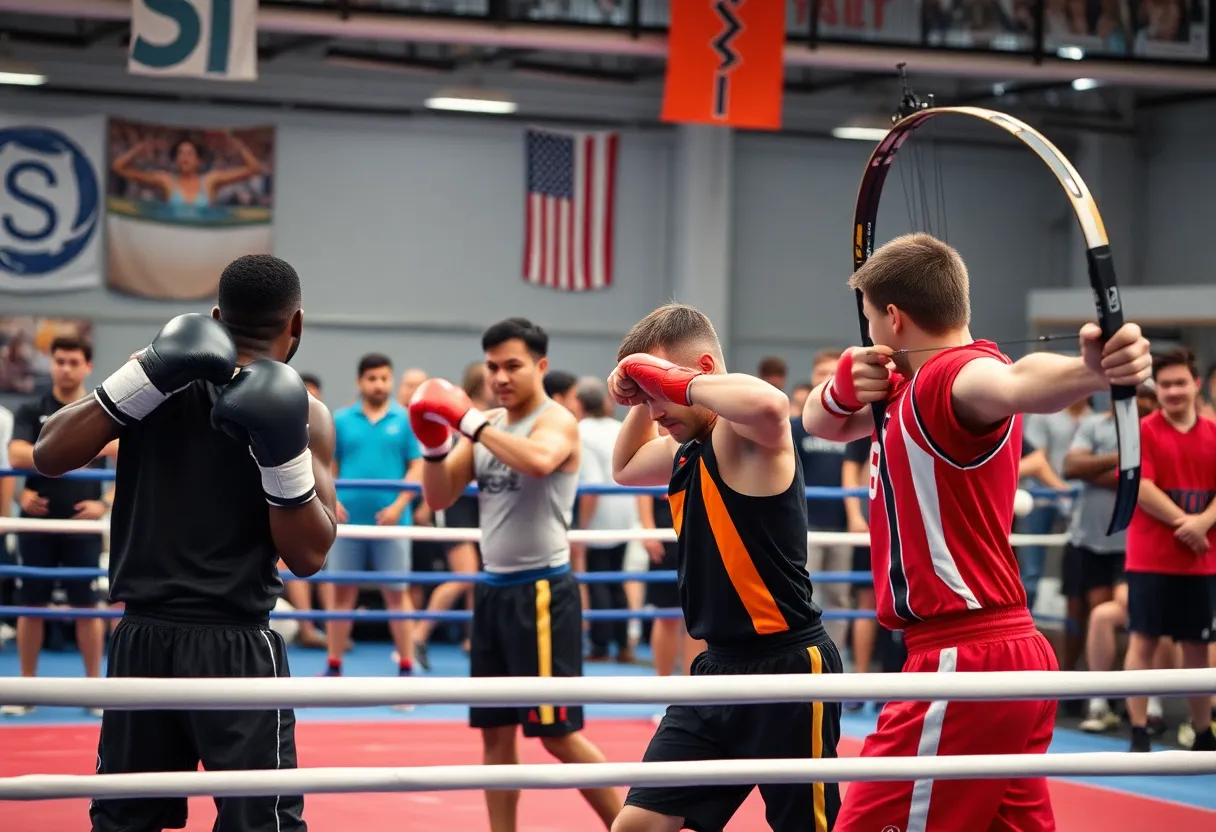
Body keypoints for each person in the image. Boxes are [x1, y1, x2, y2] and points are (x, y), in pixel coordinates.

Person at [803, 233, 1150, 831]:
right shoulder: (906, 386)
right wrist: (839, 389)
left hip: (963, 657)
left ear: (894, 318)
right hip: (999, 649)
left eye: (869, 319)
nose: (868, 334)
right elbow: (822, 423)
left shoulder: (950, 377)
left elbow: (1012, 384)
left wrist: (1087, 372)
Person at [31, 254, 336, 832]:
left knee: (126, 821)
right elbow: (310, 557)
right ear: (296, 324)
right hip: (235, 650)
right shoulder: (168, 386)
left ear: (217, 315)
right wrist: (149, 374)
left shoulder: (156, 385)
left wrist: (277, 454)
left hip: (143, 644)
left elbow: (47, 454)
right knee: (257, 824)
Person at [609, 303, 843, 832]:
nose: (655, 412)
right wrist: (637, 391)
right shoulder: (685, 451)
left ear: (703, 372)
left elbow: (770, 403)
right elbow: (624, 468)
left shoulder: (744, 438)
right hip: (715, 671)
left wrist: (667, 380)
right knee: (637, 826)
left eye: (659, 393)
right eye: (647, 398)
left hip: (787, 668)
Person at [411, 317, 621, 832]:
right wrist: (434, 447)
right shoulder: (484, 425)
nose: (500, 377)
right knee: (496, 735)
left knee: (557, 736)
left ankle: (631, 828)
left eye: (512, 366)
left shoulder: (556, 421)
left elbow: (540, 462)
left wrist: (471, 425)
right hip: (494, 592)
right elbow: (438, 497)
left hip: (542, 593)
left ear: (540, 366)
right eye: (492, 367)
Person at [4, 336, 115, 716]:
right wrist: (80, 450)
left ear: (87, 366)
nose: (65, 368)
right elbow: (15, 455)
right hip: (36, 523)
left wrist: (105, 502)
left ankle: (94, 692)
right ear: (51, 364)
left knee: (87, 606)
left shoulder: (100, 411)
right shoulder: (32, 409)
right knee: (31, 605)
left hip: (83, 524)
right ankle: (26, 690)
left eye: (73, 362)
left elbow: (127, 454)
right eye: (59, 361)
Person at [1123, 348, 1216, 753]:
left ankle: (1203, 730)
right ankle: (1138, 730)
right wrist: (1188, 523)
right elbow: (1141, 488)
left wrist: (1202, 523)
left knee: (1198, 647)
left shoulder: (1213, 433)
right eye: (1165, 385)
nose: (1173, 391)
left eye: (1180, 383)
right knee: (1143, 641)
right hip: (1150, 559)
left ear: (1195, 385)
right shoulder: (1142, 432)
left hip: (1201, 561)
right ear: (1156, 389)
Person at [325, 353, 423, 680]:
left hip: (392, 524)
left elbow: (418, 466)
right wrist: (331, 499)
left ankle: (406, 669)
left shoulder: (406, 419)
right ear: (360, 381)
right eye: (372, 378)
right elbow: (327, 465)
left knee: (397, 595)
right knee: (341, 595)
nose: (379, 385)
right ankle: (334, 668)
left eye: (384, 378)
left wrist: (399, 506)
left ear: (391, 380)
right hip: (347, 523)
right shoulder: (340, 419)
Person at [415, 361, 492, 662]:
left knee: (479, 576)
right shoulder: (459, 413)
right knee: (466, 576)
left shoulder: (497, 415)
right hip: (456, 505)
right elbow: (439, 462)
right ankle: (418, 635)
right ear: (480, 383)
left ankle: (475, 639)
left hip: (480, 504)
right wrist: (427, 506)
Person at [575, 378, 642, 663]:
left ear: (580, 403)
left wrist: (582, 526)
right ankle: (623, 644)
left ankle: (600, 647)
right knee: (615, 581)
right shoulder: (617, 427)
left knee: (599, 581)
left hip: (599, 517)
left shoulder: (581, 432)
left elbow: (591, 484)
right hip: (624, 514)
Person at [791, 348, 852, 646]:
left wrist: (857, 517)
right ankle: (807, 657)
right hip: (806, 526)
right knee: (805, 595)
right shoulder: (797, 426)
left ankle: (836, 657)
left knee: (839, 597)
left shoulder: (856, 424)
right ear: (813, 377)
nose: (827, 378)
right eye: (821, 373)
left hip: (843, 525)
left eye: (833, 373)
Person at [1018, 401, 1090, 610]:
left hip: (1080, 499)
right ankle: (1025, 619)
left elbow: (1036, 461)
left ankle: (1075, 627)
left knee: (1079, 568)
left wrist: (1067, 493)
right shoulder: (1043, 414)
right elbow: (1037, 460)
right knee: (1031, 570)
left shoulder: (1094, 419)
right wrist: (1062, 490)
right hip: (1041, 498)